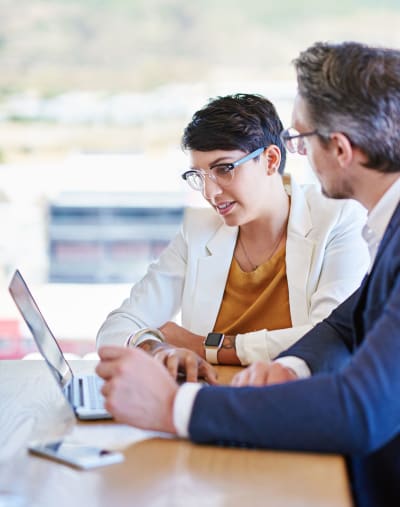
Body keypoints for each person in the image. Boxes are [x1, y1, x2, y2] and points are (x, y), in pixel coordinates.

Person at [96, 41, 400, 507]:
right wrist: (289, 366)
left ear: (338, 148)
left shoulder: (355, 223)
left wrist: (175, 406)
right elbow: (342, 325)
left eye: (300, 139)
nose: (296, 151)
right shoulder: (389, 226)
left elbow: (359, 408)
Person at [96, 93, 368, 382]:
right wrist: (155, 348)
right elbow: (117, 327)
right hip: (207, 404)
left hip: (293, 404)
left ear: (271, 159)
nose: (209, 193)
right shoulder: (198, 230)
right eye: (199, 175)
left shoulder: (338, 218)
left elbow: (331, 337)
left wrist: (206, 347)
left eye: (224, 169)